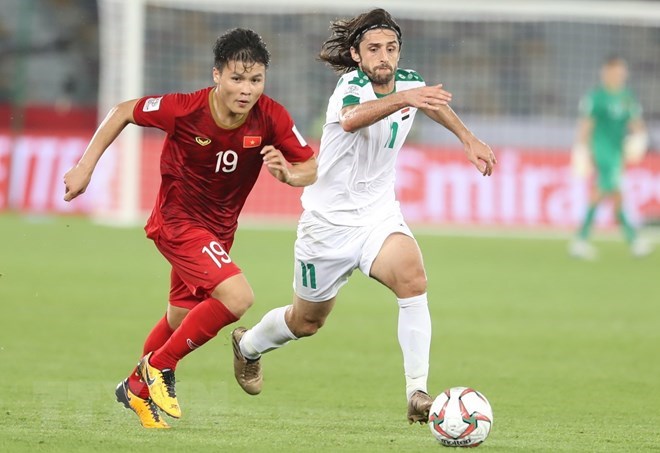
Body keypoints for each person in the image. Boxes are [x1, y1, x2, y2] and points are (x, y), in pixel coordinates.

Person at [230, 8, 496, 425]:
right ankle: (248, 347)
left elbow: (429, 104)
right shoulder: (349, 87)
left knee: (413, 277)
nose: (384, 57)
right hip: (327, 225)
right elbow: (352, 120)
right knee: (306, 322)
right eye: (374, 49)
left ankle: (417, 392)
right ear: (356, 54)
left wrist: (468, 138)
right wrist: (405, 99)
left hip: (377, 216)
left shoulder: (408, 83)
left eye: (391, 48)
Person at [63, 28, 317, 428]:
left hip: (219, 232)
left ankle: (133, 388)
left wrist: (288, 175)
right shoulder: (183, 109)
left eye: (255, 80)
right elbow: (125, 110)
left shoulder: (272, 116)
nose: (246, 89)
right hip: (178, 222)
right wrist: (84, 166)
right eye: (237, 78)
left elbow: (310, 166)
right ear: (217, 75)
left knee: (182, 318)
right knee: (237, 297)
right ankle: (159, 367)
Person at [569, 56, 652, 259]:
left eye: (622, 72)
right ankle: (585, 240)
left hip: (617, 152)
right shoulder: (597, 97)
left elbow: (635, 123)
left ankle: (585, 240)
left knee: (613, 195)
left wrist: (641, 138)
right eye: (615, 71)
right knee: (608, 192)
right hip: (602, 151)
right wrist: (580, 148)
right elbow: (586, 124)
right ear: (605, 73)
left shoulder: (627, 97)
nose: (619, 75)